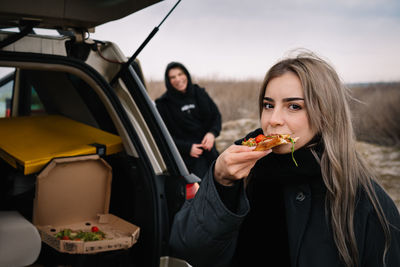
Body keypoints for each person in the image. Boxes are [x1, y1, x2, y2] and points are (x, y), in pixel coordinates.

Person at [169, 51, 400, 267]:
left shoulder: (368, 204)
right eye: (268, 105)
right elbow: (188, 249)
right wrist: (220, 183)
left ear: (326, 113)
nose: (274, 120)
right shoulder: (244, 173)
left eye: (294, 106)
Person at [155, 62, 222, 178]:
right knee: (202, 190)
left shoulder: (199, 92)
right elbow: (162, 136)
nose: (178, 79)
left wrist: (212, 134)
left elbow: (216, 117)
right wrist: (187, 148)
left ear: (186, 74)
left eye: (180, 74)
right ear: (168, 81)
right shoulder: (163, 104)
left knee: (222, 182)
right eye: (173, 77)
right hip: (186, 160)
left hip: (210, 153)